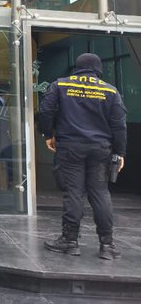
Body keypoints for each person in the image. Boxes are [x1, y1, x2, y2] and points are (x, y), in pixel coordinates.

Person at [38, 53, 127, 260]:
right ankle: (107, 244)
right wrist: (119, 152)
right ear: (98, 69)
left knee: (74, 192)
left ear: (76, 67)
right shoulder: (110, 91)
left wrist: (48, 134)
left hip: (70, 147)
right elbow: (119, 125)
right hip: (100, 149)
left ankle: (70, 241)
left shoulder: (60, 85)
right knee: (100, 192)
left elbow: (45, 110)